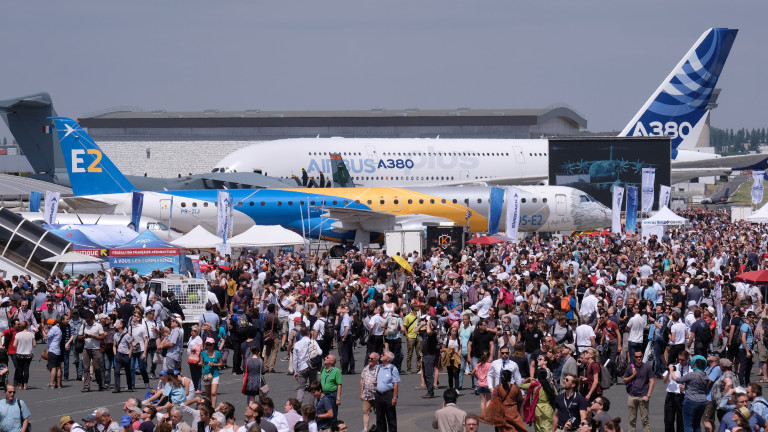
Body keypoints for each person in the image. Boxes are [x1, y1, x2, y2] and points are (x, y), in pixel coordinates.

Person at [624, 350, 655, 432]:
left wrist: (648, 395)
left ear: (642, 356)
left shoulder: (647, 367)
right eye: (637, 357)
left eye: (640, 356)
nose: (639, 358)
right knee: (632, 420)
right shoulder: (630, 367)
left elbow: (652, 381)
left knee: (645, 420)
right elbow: (624, 380)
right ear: (634, 358)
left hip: (643, 396)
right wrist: (632, 375)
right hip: (632, 396)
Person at [662, 351, 689, 432]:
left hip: (682, 396)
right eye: (679, 359)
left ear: (687, 359)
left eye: (682, 360)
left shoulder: (690, 369)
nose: (680, 361)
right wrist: (669, 372)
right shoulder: (673, 367)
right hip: (671, 394)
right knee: (669, 420)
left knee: (681, 420)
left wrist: (686, 387)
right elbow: (664, 380)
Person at [293, 327, 320, 404]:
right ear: (308, 333)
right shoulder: (313, 342)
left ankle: (298, 404)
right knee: (313, 387)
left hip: (302, 367)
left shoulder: (297, 344)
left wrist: (295, 371)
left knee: (301, 387)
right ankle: (311, 405)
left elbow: (295, 359)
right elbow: (319, 352)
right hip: (312, 365)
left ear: (301, 334)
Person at [375, 351, 400, 432]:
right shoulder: (379, 367)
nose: (381, 355)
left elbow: (395, 384)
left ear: (388, 359)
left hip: (388, 395)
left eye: (383, 355)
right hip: (379, 395)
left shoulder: (393, 368)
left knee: (391, 418)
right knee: (379, 418)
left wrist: (395, 398)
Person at [80, 312, 105, 392]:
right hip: (86, 348)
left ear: (93, 319)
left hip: (96, 349)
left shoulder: (98, 326)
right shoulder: (84, 325)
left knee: (97, 367)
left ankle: (100, 383)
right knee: (86, 368)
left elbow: (102, 336)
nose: (88, 322)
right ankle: (86, 386)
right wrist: (84, 336)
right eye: (87, 321)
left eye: (89, 321)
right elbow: (79, 336)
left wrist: (93, 336)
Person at [200, 337, 224, 407]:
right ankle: (208, 408)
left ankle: (213, 408)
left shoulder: (217, 353)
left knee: (213, 392)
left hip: (215, 373)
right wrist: (200, 364)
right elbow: (201, 362)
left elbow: (221, 364)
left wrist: (214, 364)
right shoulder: (203, 353)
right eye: (207, 344)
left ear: (213, 345)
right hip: (206, 373)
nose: (208, 346)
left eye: (210, 345)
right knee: (207, 394)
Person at [112, 318, 134, 392]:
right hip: (119, 355)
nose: (116, 324)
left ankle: (130, 386)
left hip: (126, 355)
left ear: (121, 325)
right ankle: (117, 387)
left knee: (128, 371)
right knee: (117, 371)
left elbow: (131, 347)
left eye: (117, 323)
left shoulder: (127, 335)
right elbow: (114, 345)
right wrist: (115, 354)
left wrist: (129, 356)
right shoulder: (115, 335)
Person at [319, 355, 342, 422]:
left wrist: (338, 399)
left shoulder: (336, 371)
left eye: (327, 358)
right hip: (323, 395)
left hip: (331, 395)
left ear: (332, 361)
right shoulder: (323, 369)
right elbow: (320, 380)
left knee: (332, 414)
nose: (325, 358)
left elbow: (339, 385)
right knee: (322, 412)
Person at [359, 352, 378, 432]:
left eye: (372, 359)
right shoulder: (366, 368)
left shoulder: (379, 369)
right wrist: (361, 393)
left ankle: (380, 426)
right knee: (366, 412)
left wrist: (378, 382)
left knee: (378, 412)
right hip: (367, 394)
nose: (369, 360)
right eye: (369, 358)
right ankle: (365, 428)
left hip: (377, 394)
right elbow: (362, 381)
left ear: (376, 360)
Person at [12, 322, 34, 390]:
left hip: (20, 353)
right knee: (26, 369)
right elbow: (34, 344)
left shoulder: (18, 334)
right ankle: (25, 384)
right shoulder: (31, 334)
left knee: (20, 369)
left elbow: (14, 345)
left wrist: (20, 345)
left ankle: (19, 384)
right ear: (27, 326)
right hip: (28, 354)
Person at [738, 311, 755, 386]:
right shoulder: (745, 326)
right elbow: (743, 339)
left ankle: (747, 382)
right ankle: (742, 383)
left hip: (748, 349)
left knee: (748, 366)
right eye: (752, 318)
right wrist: (747, 351)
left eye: (754, 318)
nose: (753, 319)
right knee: (743, 366)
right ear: (748, 317)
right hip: (744, 349)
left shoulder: (748, 325)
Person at [45, 318, 63, 388]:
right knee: (58, 367)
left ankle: (51, 383)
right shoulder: (59, 329)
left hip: (52, 349)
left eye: (48, 324)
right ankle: (58, 384)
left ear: (50, 324)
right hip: (58, 350)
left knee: (53, 367)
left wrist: (46, 332)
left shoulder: (53, 329)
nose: (48, 325)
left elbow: (47, 337)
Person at [187, 326, 203, 393]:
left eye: (194, 331)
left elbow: (201, 347)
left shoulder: (198, 338)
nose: (192, 331)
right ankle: (195, 387)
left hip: (196, 357)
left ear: (197, 332)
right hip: (191, 357)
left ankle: (198, 388)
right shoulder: (191, 338)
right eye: (192, 330)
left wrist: (195, 349)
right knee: (193, 373)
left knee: (197, 373)